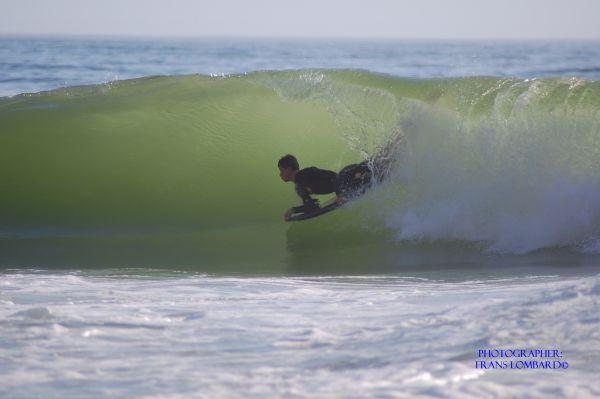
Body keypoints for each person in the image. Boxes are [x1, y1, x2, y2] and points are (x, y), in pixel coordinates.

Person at [278, 154, 379, 222]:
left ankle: (385, 158)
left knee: (369, 167)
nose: (280, 174)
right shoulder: (299, 188)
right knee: (372, 175)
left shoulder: (308, 172)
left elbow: (333, 176)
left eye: (282, 171)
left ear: (289, 169)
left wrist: (339, 194)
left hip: (346, 175)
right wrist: (293, 210)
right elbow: (312, 206)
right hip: (345, 186)